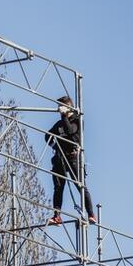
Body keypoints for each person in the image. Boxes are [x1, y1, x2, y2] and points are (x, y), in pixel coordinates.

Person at [45, 96, 96, 225]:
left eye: (61, 107)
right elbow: (47, 135)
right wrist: (55, 146)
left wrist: (65, 116)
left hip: (73, 157)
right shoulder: (59, 124)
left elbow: (70, 131)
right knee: (58, 187)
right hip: (60, 157)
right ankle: (57, 216)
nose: (59, 110)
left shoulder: (77, 120)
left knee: (80, 185)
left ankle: (91, 214)